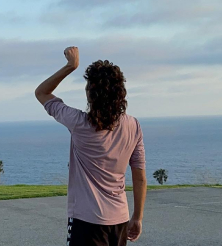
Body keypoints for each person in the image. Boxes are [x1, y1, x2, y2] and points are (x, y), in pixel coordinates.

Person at [35, 46, 146, 246]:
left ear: (90, 94)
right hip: (119, 220)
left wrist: (71, 66)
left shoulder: (79, 123)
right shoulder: (133, 125)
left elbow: (42, 92)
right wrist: (137, 217)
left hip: (86, 222)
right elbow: (139, 177)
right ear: (120, 92)